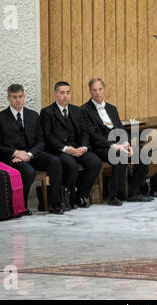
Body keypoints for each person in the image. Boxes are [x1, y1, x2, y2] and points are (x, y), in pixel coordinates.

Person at [0, 84, 65, 214]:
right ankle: (22, 206)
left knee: (55, 161)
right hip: (13, 158)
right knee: (29, 172)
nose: (18, 100)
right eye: (14, 97)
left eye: (20, 96)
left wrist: (30, 154)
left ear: (24, 97)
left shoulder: (33, 115)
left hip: (32, 154)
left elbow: (41, 140)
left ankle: (55, 204)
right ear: (8, 98)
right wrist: (15, 153)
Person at [81, 78, 153, 205]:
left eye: (100, 89)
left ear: (104, 90)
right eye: (94, 90)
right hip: (101, 147)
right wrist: (113, 145)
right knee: (119, 155)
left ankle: (134, 192)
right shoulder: (84, 110)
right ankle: (113, 195)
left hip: (119, 145)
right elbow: (92, 135)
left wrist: (127, 144)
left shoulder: (111, 108)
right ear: (90, 91)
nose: (98, 93)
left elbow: (121, 128)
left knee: (144, 153)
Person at [40, 81, 102, 209]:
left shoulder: (77, 110)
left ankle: (81, 195)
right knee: (71, 165)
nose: (65, 96)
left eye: (68, 93)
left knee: (95, 162)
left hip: (77, 148)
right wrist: (66, 149)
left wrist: (84, 147)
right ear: (55, 94)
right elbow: (48, 136)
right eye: (62, 93)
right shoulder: (47, 112)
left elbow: (85, 132)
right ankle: (69, 197)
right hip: (59, 150)